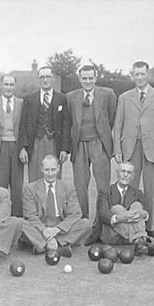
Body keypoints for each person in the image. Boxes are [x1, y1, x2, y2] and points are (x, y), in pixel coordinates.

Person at [113, 61, 154, 239]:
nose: (139, 77)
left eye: (142, 74)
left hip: (153, 149)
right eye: (136, 74)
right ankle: (129, 226)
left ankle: (149, 226)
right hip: (130, 149)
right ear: (132, 76)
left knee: (150, 189)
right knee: (128, 188)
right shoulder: (124, 97)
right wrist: (118, 149)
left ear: (149, 75)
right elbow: (118, 125)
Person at [63, 65, 117, 218]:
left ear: (95, 78)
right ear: (79, 79)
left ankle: (102, 222)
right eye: (84, 78)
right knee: (80, 186)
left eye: (90, 78)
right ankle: (84, 222)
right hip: (79, 144)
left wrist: (102, 134)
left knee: (103, 186)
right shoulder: (71, 97)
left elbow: (111, 118)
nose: (87, 81)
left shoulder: (107, 94)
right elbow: (69, 122)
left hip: (99, 143)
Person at [21, 155, 90, 256]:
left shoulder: (68, 188)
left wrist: (56, 230)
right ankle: (59, 245)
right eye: (47, 170)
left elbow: (75, 214)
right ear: (41, 169)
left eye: (53, 170)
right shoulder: (30, 188)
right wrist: (44, 230)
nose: (50, 174)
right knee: (20, 224)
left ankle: (44, 246)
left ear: (58, 169)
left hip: (61, 228)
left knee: (85, 224)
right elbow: (30, 216)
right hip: (40, 227)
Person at [18, 66, 69, 182]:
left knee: (53, 175)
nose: (45, 80)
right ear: (38, 80)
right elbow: (23, 125)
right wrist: (23, 147)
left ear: (53, 79)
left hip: (54, 142)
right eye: (42, 77)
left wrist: (64, 149)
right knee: (35, 176)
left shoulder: (62, 99)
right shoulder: (29, 99)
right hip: (35, 141)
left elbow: (66, 125)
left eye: (48, 77)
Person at [95, 162, 154, 255]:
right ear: (117, 172)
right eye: (123, 171)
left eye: (129, 172)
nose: (125, 175)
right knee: (117, 208)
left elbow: (146, 212)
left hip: (128, 239)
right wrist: (123, 217)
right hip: (112, 235)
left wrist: (141, 214)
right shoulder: (105, 191)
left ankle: (138, 242)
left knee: (137, 206)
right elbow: (103, 214)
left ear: (132, 176)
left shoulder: (137, 193)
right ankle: (140, 240)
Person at [0, 74, 24, 217]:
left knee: (17, 186)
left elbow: (25, 128)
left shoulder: (22, 103)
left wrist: (23, 148)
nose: (9, 88)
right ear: (1, 85)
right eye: (6, 84)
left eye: (11, 85)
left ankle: (17, 219)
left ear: (15, 86)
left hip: (16, 147)